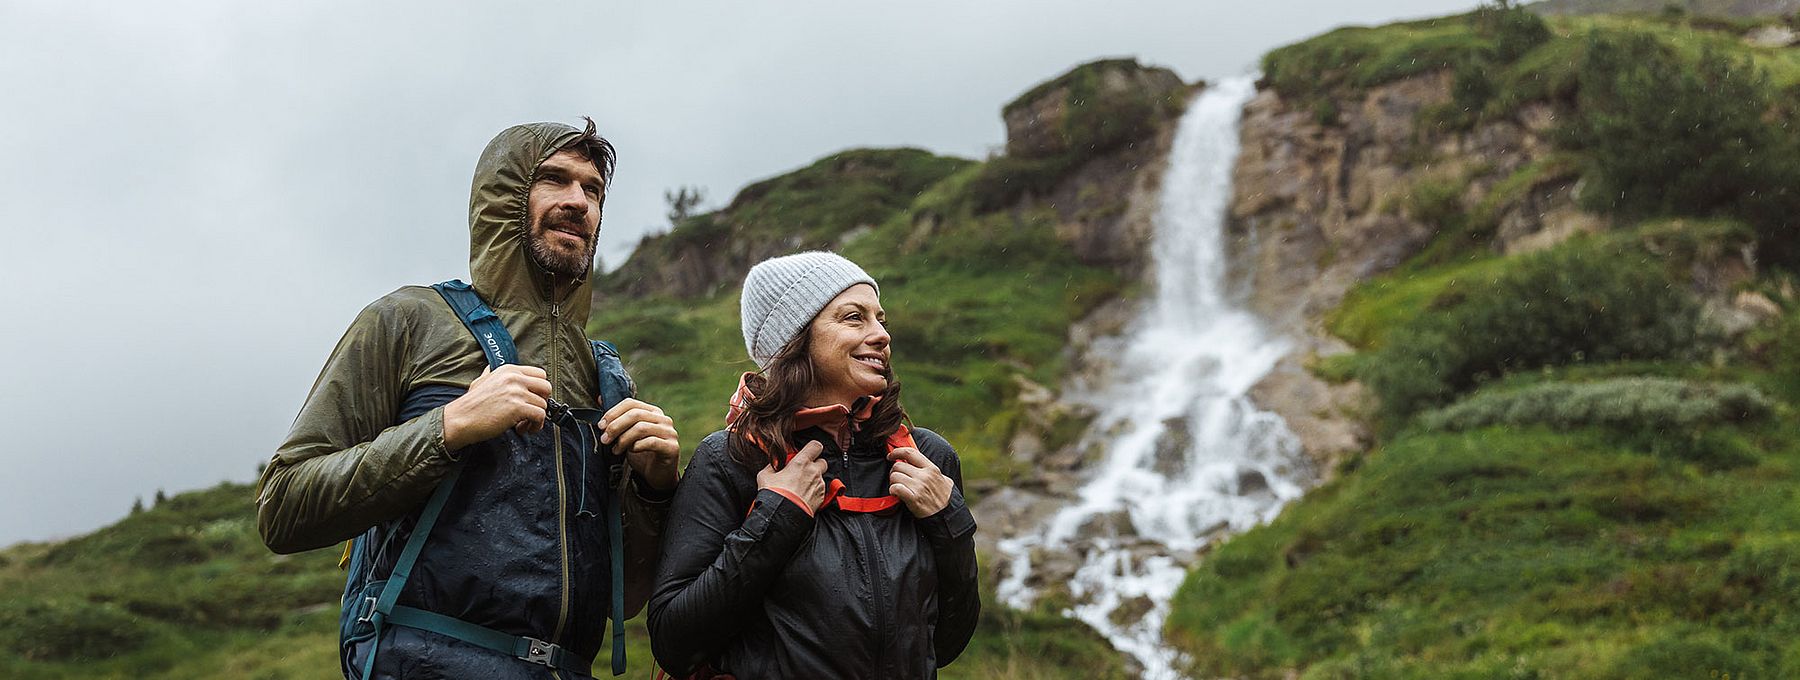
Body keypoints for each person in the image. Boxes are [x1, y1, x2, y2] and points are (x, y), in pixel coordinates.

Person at [255, 119, 681, 679]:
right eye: (555, 180)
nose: (579, 201)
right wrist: (448, 426)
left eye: (593, 189)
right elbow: (284, 507)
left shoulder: (605, 378)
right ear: (505, 198)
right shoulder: (408, 322)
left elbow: (619, 603)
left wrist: (653, 491)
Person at [648, 251, 980, 679]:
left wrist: (948, 522)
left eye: (881, 319)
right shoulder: (731, 459)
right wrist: (777, 514)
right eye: (853, 318)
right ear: (796, 340)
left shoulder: (927, 459)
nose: (881, 335)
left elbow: (946, 642)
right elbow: (675, 642)